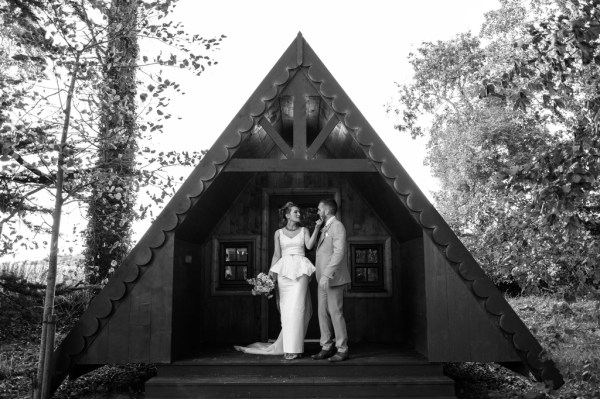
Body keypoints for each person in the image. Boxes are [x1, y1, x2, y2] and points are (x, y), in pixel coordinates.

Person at [234, 202, 320, 359]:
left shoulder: (304, 230)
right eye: (295, 212)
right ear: (287, 215)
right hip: (283, 271)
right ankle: (288, 347)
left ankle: (295, 349)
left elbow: (309, 245)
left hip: (301, 269)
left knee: (298, 309)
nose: (299, 214)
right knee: (286, 311)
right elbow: (276, 254)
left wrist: (317, 228)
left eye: (299, 212)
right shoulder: (278, 233)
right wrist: (269, 276)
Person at [311, 199, 351, 362]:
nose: (318, 212)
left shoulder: (338, 226)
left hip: (332, 278)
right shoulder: (324, 227)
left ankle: (342, 349)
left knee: (335, 313)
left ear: (327, 211)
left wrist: (327, 274)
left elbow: (339, 253)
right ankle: (326, 346)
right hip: (322, 280)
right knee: (322, 313)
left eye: (319, 209)